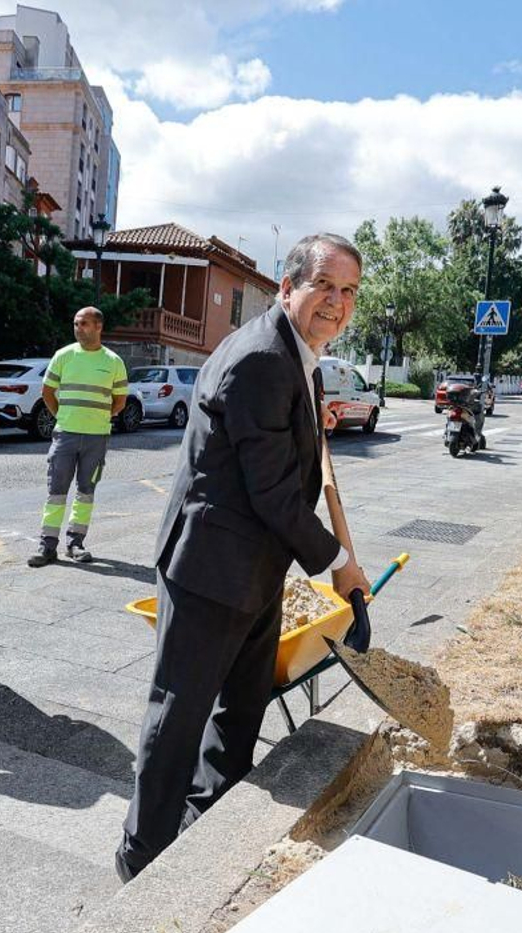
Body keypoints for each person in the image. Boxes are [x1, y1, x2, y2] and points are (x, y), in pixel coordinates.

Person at [115, 234, 372, 881]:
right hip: (210, 572)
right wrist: (340, 562)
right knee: (179, 717)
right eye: (325, 287)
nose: (337, 304)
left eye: (349, 292)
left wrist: (308, 426)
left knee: (241, 710)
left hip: (255, 572)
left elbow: (278, 456)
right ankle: (141, 857)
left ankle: (205, 826)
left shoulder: (295, 352)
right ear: (289, 287)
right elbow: (275, 494)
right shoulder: (262, 356)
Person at [26, 307, 128, 566]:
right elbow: (47, 391)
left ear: (98, 327)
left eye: (84, 324)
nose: (78, 328)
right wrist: (62, 416)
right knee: (56, 491)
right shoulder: (64, 355)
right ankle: (47, 546)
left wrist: (100, 418)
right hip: (65, 435)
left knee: (85, 492)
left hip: (97, 438)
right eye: (76, 324)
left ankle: (75, 544)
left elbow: (120, 402)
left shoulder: (114, 362)